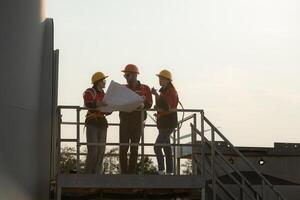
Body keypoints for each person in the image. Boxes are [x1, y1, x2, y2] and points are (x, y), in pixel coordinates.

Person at [119, 64, 153, 174]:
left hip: (138, 122)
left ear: (134, 75)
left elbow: (150, 104)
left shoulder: (145, 88)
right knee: (123, 148)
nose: (125, 76)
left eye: (127, 74)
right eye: (125, 75)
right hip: (125, 121)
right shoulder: (122, 88)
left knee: (134, 148)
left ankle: (131, 173)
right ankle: (124, 173)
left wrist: (143, 105)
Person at [151, 69, 179, 175]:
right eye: (159, 78)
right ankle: (169, 172)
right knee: (167, 148)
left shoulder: (170, 91)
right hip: (164, 123)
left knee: (157, 147)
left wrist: (156, 97)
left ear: (168, 80)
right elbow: (164, 107)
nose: (160, 80)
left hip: (168, 123)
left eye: (162, 79)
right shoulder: (164, 91)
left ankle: (161, 171)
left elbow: (167, 107)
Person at [83, 72, 110, 174]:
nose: (104, 83)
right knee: (93, 150)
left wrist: (112, 107)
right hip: (92, 122)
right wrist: (99, 104)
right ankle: (88, 174)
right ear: (98, 82)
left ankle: (97, 175)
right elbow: (88, 103)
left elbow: (108, 111)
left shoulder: (104, 94)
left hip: (102, 122)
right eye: (103, 81)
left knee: (101, 151)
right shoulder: (90, 92)